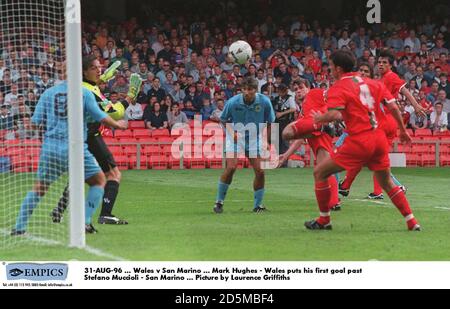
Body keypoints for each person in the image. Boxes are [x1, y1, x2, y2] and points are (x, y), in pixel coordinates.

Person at [304, 50, 420, 231]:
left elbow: (335, 113)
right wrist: (403, 131)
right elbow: (393, 106)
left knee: (320, 172)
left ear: (338, 69)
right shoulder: (373, 83)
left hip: (359, 139)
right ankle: (412, 222)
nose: (330, 70)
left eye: (331, 66)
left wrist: (321, 118)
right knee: (386, 182)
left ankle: (323, 220)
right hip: (379, 138)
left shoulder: (339, 87)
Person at [11, 82, 127, 236]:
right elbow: (102, 117)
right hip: (74, 146)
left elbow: (33, 124)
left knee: (40, 187)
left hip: (50, 147)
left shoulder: (48, 93)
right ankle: (84, 222)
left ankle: (19, 227)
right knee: (99, 180)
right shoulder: (84, 93)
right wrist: (118, 125)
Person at [52, 55, 141, 225]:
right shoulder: (89, 90)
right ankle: (106, 214)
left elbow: (93, 88)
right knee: (113, 174)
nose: (99, 70)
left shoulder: (79, 86)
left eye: (100, 67)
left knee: (81, 175)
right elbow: (115, 112)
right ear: (84, 71)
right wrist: (130, 96)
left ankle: (58, 210)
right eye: (94, 68)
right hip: (91, 137)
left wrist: (102, 78)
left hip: (76, 136)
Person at [339, 50, 425, 199]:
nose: (381, 64)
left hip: (384, 122)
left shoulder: (391, 77)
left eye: (384, 62)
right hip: (384, 122)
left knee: (364, 155)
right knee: (374, 158)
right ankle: (353, 187)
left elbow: (404, 91)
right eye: (379, 62)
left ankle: (347, 186)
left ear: (390, 65)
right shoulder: (382, 80)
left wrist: (416, 106)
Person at [213, 77, 275, 214]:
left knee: (260, 171)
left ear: (255, 90)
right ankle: (219, 202)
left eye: (250, 90)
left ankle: (258, 205)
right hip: (235, 137)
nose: (247, 92)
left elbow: (270, 122)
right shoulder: (233, 102)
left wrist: (266, 140)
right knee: (231, 167)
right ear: (242, 90)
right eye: (245, 89)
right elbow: (223, 120)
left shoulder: (264, 101)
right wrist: (232, 132)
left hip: (254, 138)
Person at [279, 80, 341, 211]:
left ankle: (334, 202)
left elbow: (331, 95)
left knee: (286, 132)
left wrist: (330, 116)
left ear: (308, 87)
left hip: (321, 133)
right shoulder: (303, 112)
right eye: (295, 89)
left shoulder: (314, 93)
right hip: (315, 135)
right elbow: (300, 139)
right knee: (324, 170)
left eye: (301, 87)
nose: (298, 91)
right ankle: (333, 202)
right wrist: (285, 156)